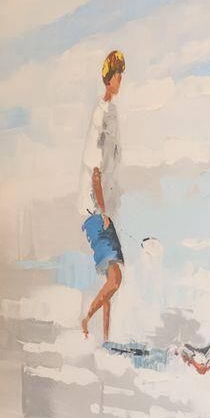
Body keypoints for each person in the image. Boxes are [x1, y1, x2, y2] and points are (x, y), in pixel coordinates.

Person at [78, 50, 126, 342]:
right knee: (115, 279)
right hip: (95, 210)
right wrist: (104, 211)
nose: (121, 80)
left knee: (112, 277)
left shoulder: (112, 112)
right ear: (109, 78)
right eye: (119, 75)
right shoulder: (101, 114)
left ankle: (106, 340)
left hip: (105, 209)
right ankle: (87, 318)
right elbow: (95, 171)